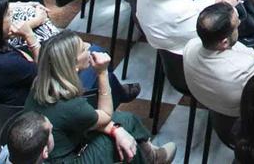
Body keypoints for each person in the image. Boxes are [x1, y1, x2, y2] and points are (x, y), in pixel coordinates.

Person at [27, 31, 170, 164]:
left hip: (54, 147)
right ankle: (151, 157)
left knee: (124, 120)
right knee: (120, 136)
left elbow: (83, 118)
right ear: (73, 64)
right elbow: (106, 115)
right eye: (83, 49)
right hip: (68, 159)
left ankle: (150, 155)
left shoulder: (39, 84)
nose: (89, 48)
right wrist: (102, 73)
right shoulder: (70, 104)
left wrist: (115, 129)